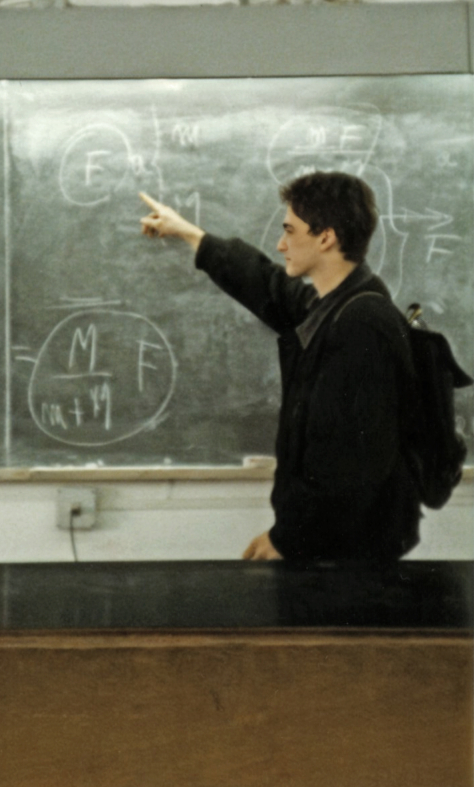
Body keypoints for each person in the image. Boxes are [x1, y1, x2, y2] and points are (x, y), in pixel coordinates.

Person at [140, 171, 422, 564]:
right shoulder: (336, 304)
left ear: (326, 237)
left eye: (290, 231)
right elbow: (267, 284)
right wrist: (189, 233)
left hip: (344, 554)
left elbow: (350, 464)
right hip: (334, 543)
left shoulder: (361, 325)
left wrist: (288, 539)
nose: (280, 243)